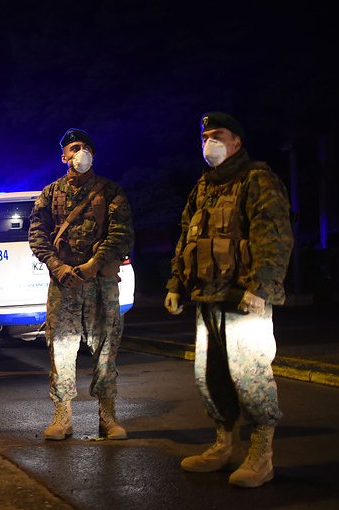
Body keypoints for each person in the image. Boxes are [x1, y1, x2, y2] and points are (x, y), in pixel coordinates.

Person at [165, 112, 293, 488]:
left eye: (217, 135)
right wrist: (176, 284)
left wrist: (262, 289)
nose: (210, 143)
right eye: (205, 136)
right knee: (211, 377)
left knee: (250, 376)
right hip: (207, 297)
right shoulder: (203, 186)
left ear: (236, 141)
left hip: (244, 300)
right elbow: (186, 238)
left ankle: (261, 454)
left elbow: (275, 237)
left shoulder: (258, 179)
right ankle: (223, 445)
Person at [29, 128, 134, 441]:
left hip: (101, 283)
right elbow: (37, 234)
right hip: (64, 285)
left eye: (85, 147)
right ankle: (62, 417)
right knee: (60, 349)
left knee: (106, 350)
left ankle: (108, 417)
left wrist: (92, 265)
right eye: (74, 148)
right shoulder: (50, 193)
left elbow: (121, 235)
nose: (80, 152)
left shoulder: (111, 191)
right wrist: (58, 267)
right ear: (64, 156)